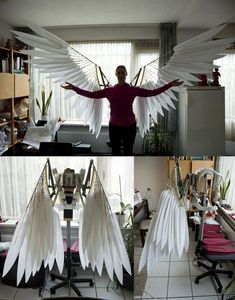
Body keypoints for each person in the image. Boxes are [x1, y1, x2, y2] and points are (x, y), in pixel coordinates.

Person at [61, 65, 183, 155]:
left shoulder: (133, 90)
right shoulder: (109, 91)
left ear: (126, 74)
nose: (120, 75)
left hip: (130, 127)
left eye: (122, 73)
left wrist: (170, 85)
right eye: (118, 72)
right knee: (115, 152)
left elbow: (153, 93)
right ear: (116, 74)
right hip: (114, 127)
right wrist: (74, 88)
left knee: (128, 152)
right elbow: (91, 94)